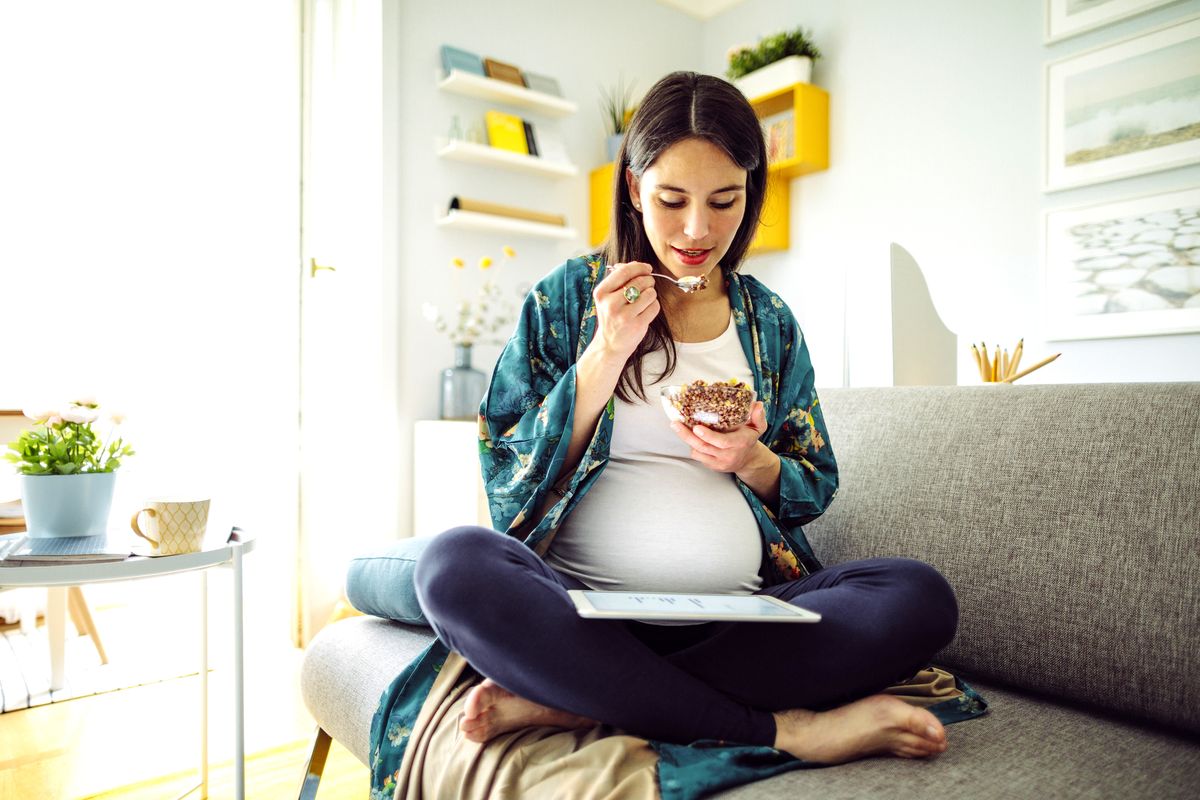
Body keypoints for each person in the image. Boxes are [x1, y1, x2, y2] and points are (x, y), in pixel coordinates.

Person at [413, 71, 959, 765]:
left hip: (741, 621)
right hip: (583, 616)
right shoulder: (565, 302)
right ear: (635, 190)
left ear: (749, 194)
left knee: (918, 596)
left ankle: (578, 698)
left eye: (724, 201)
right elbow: (507, 492)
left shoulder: (769, 324)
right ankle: (782, 730)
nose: (698, 230)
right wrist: (605, 355)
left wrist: (752, 459)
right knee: (453, 567)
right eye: (672, 200)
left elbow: (814, 484)